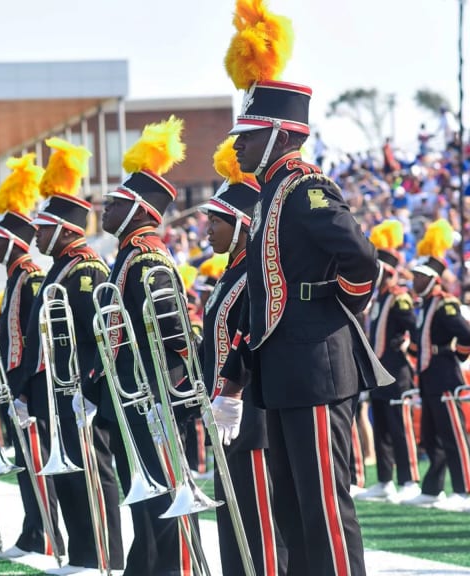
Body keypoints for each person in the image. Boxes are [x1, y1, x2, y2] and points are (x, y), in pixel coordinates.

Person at [215, 1, 388, 573]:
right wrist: (235, 381)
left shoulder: (307, 187)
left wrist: (336, 304)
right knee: (293, 512)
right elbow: (262, 296)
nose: (236, 149)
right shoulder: (271, 196)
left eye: (246, 137)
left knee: (323, 510)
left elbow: (361, 257)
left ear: (275, 136)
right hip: (282, 373)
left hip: (315, 366)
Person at [88, 116, 199, 575]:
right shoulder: (131, 254)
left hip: (151, 390)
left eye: (114, 204)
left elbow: (172, 328)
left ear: (135, 210)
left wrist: (160, 385)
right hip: (136, 388)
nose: (106, 211)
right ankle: (148, 565)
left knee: (161, 485)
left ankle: (170, 568)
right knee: (145, 485)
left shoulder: (147, 255)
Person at [24, 137, 123, 574]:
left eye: (43, 229)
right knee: (69, 477)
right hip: (59, 394)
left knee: (93, 475)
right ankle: (84, 553)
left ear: (66, 230)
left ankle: (102, 554)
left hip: (82, 394)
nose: (37, 235)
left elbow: (107, 336)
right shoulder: (60, 269)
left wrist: (90, 388)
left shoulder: (85, 270)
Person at [202, 137, 286, 575]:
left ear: (239, 225)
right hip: (223, 414)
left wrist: (230, 401)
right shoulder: (227, 276)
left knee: (260, 526)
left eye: (214, 222)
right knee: (232, 522)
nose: (206, 231)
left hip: (251, 415)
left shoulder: (254, 275)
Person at [0, 154, 63, 560]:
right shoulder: (17, 276)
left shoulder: (30, 276)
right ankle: (34, 532)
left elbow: (39, 342)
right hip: (19, 388)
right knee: (26, 463)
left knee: (38, 461)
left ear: (12, 241)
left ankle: (46, 535)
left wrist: (25, 391)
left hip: (34, 389)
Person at [405, 220, 470, 511]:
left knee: (454, 435)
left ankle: (465, 489)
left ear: (433, 279)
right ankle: (433, 490)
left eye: (420, 276)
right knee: (432, 436)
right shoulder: (425, 306)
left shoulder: (445, 304)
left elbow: (467, 334)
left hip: (445, 374)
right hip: (429, 377)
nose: (415, 280)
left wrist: (455, 354)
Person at [358, 221, 421, 503]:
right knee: (382, 427)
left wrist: (410, 343)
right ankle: (385, 481)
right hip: (381, 373)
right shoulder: (379, 298)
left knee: (399, 427)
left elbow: (416, 326)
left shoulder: (399, 298)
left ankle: (408, 480)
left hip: (398, 372)